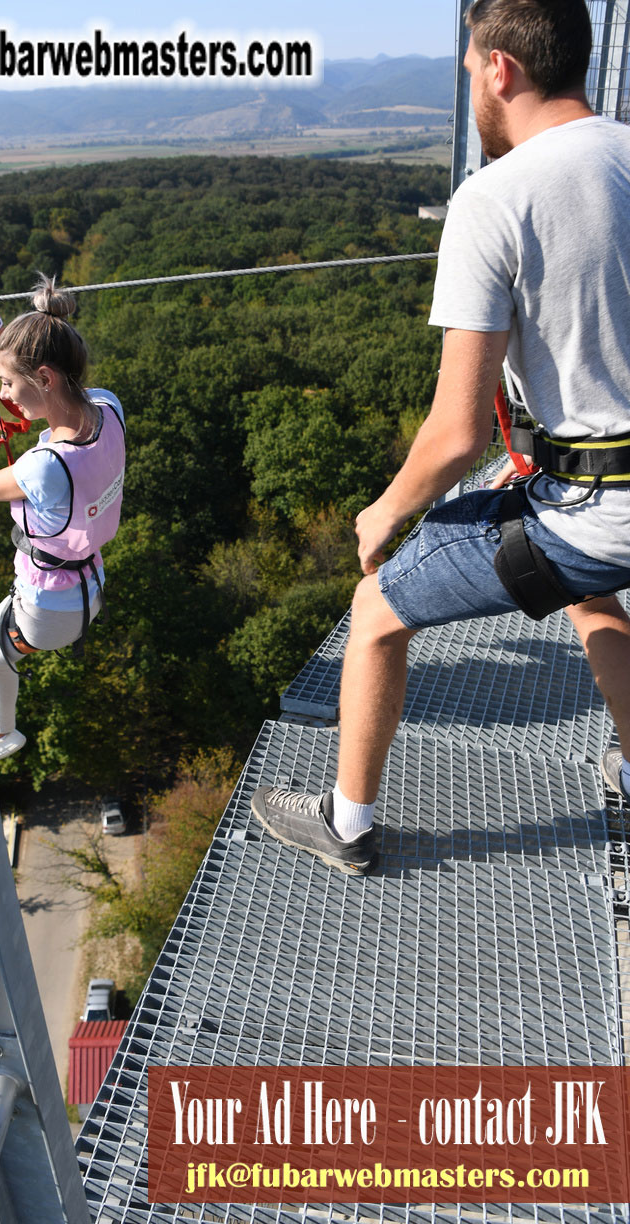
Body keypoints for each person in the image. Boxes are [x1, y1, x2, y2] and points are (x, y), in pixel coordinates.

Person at [251, 0, 630, 873]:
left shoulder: (494, 199)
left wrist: (382, 515)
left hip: (593, 510)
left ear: (501, 69)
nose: (472, 86)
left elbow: (457, 434)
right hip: (609, 503)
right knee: (592, 598)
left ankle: (346, 825)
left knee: (375, 611)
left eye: (470, 70)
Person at [0, 272, 126, 765]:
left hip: (48, 611)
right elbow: (62, 389)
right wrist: (0, 344)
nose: (4, 394)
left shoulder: (45, 467)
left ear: (45, 378)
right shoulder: (109, 408)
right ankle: (0, 734)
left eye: (7, 384)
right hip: (86, 588)